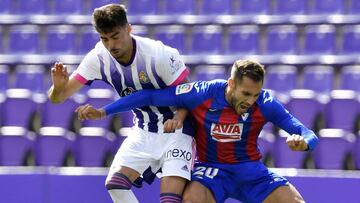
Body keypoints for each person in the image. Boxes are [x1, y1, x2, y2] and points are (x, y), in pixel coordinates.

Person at [76, 59, 319, 203]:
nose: (250, 100)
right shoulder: (203, 93)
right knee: (191, 199)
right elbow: (150, 95)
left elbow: (307, 132)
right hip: (213, 171)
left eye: (255, 94)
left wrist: (303, 142)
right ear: (231, 84)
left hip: (251, 172)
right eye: (246, 94)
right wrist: (104, 111)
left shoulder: (265, 103)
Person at [47, 4, 195, 203]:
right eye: (104, 39)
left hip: (178, 132)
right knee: (115, 185)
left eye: (115, 36)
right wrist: (57, 88)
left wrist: (178, 117)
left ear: (129, 29)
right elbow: (58, 98)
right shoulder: (98, 58)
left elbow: (189, 95)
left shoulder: (159, 55)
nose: (111, 45)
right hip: (143, 130)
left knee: (170, 200)